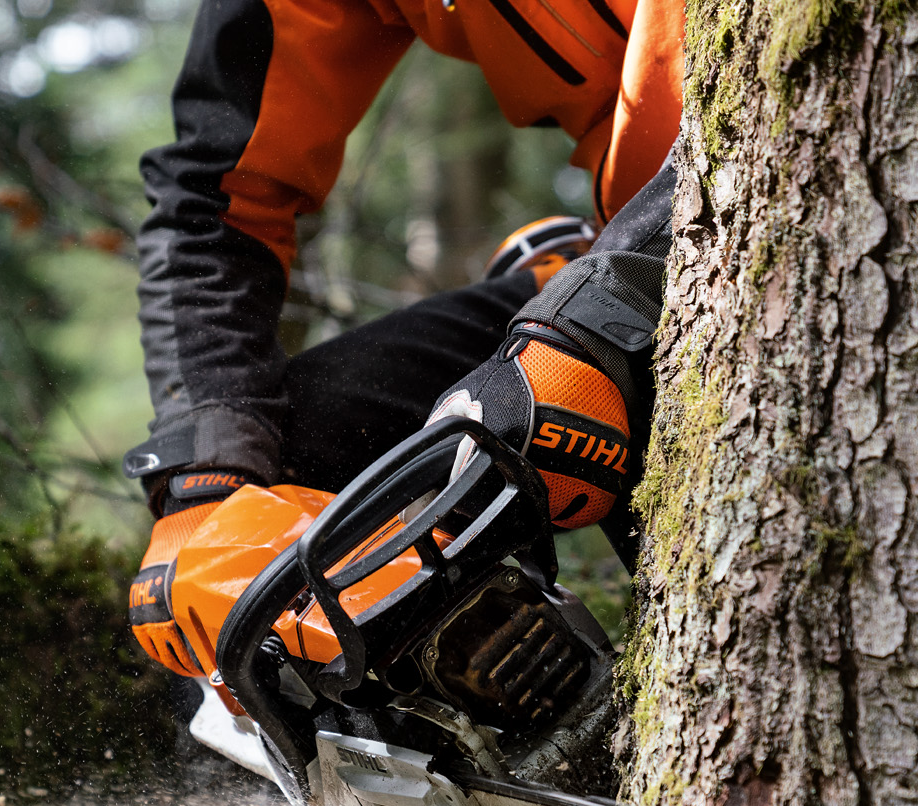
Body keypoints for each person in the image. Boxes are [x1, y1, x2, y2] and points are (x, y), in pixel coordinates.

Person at [124, 0, 688, 678]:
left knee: (548, 406)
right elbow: (214, 202)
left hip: (720, 228)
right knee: (292, 464)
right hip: (633, 236)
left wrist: (603, 303)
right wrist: (205, 484)